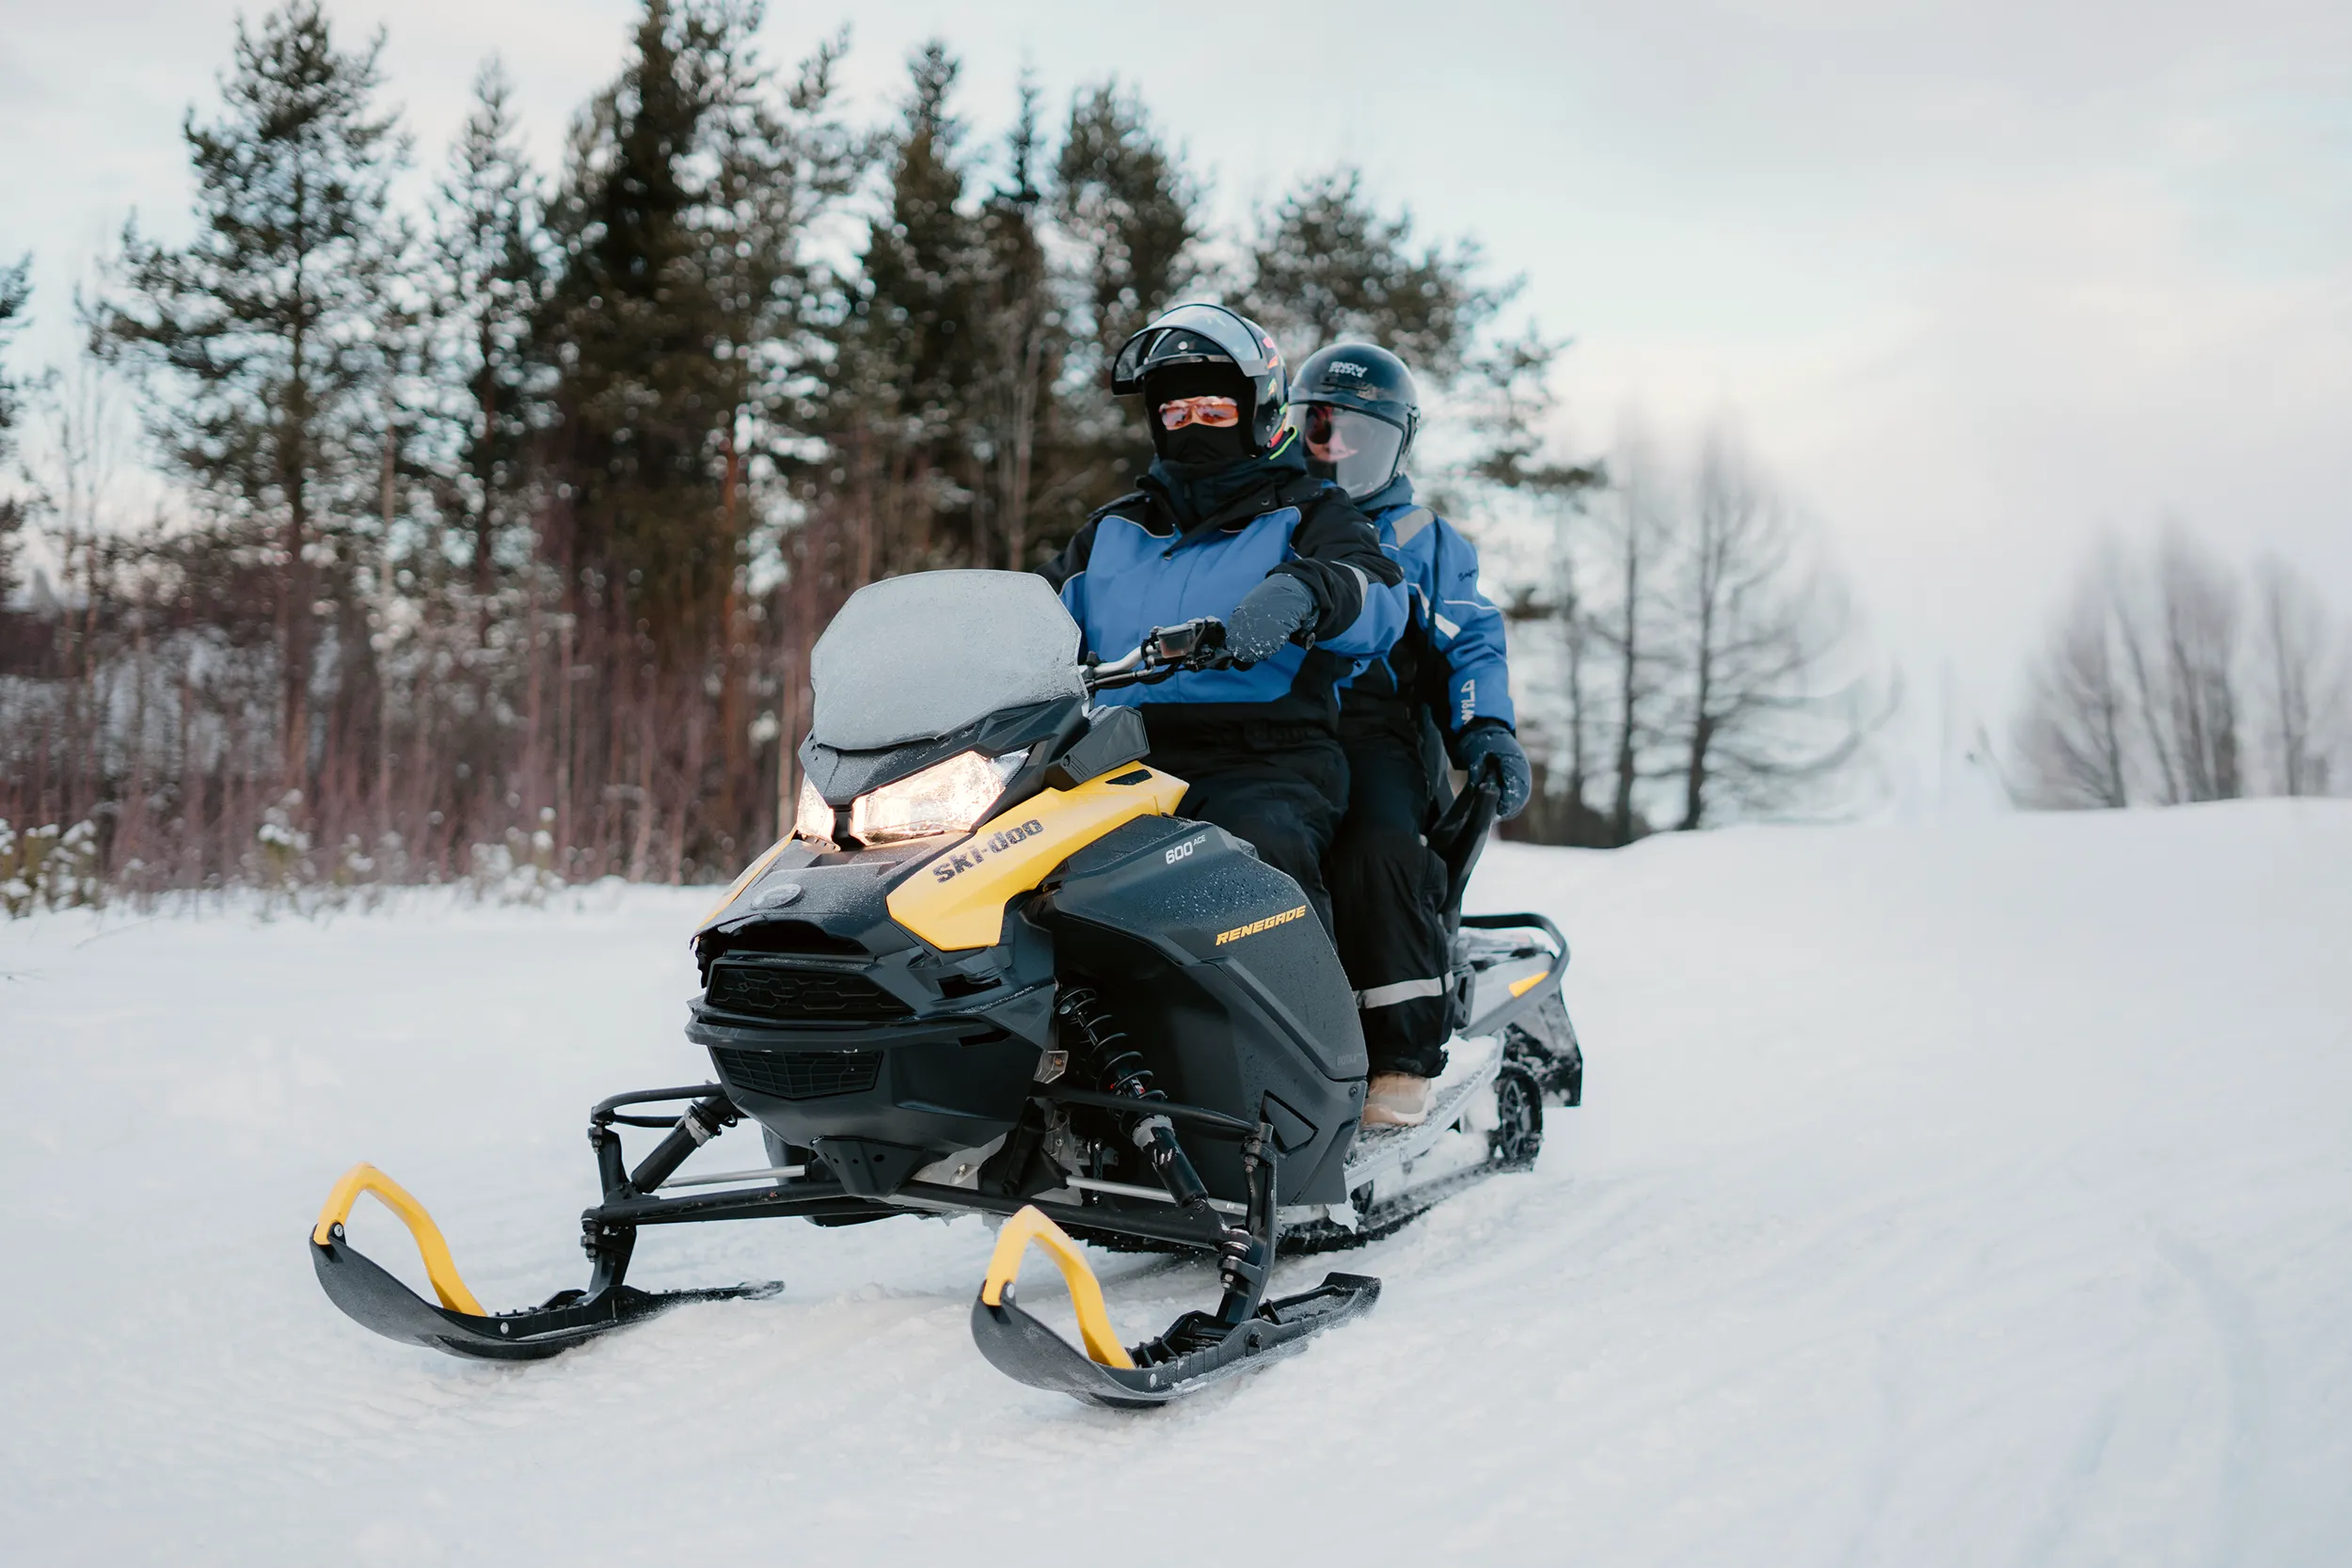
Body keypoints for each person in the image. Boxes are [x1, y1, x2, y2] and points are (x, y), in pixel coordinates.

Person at [1040, 303, 1405, 934]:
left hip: (1264, 761)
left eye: (1214, 411)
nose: (1193, 426)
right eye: (1176, 413)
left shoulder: (1313, 510)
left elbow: (1379, 598)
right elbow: (1029, 617)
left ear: (1258, 411)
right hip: (1116, 759)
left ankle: (1303, 1027)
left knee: (1256, 861)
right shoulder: (1113, 530)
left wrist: (1306, 588)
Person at [1291, 342, 1533, 1128]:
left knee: (1377, 849)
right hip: (1263, 727)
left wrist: (1487, 729)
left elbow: (1469, 639)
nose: (1337, 450)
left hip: (1372, 723)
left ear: (1397, 442)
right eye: (1320, 429)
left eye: (1361, 435)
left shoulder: (1423, 538)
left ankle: (1398, 1052)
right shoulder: (1264, 519)